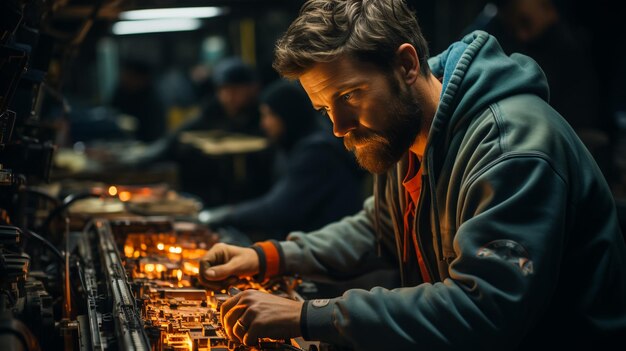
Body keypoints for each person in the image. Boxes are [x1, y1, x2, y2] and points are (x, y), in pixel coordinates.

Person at [200, 0, 626, 349]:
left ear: (405, 65)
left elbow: (483, 309)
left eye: (349, 95)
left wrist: (308, 315)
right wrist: (268, 257)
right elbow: (378, 227)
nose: (339, 126)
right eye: (326, 108)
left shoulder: (510, 148)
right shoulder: (404, 132)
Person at [199, 79, 364, 241]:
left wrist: (223, 215)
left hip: (329, 251)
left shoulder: (317, 152)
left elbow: (277, 210)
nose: (263, 123)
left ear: (287, 114)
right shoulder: (299, 143)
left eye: (268, 115)